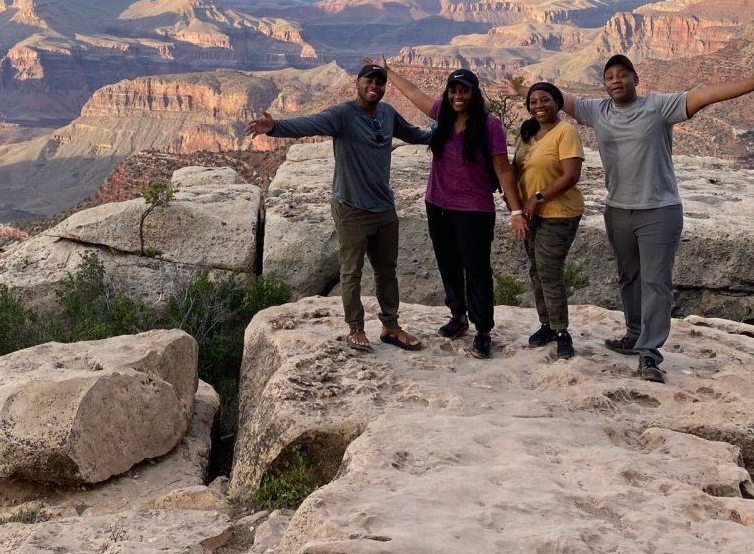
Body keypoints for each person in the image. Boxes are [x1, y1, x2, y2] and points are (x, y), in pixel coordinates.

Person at [562, 53, 754, 383]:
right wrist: (522, 90)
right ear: (604, 84)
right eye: (609, 76)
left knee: (656, 283)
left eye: (623, 74)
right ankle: (633, 335)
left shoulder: (658, 107)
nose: (615, 80)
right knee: (629, 278)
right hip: (618, 210)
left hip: (659, 210)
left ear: (636, 80)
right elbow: (560, 99)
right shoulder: (597, 111)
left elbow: (703, 95)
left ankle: (649, 355)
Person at [246, 62, 432, 353]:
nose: (374, 87)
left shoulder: (387, 114)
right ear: (357, 84)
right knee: (352, 271)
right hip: (351, 208)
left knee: (387, 271)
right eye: (369, 82)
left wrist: (443, 131)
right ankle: (356, 329)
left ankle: (391, 327)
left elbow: (413, 134)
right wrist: (275, 127)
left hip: (383, 207)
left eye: (380, 83)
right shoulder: (342, 115)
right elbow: (309, 123)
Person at [367, 58, 527, 360]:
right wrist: (389, 73)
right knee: (448, 264)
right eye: (453, 90)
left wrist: (516, 211)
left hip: (474, 210)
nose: (458, 96)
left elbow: (503, 169)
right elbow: (414, 94)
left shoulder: (489, 126)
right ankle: (458, 316)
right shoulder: (442, 113)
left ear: (473, 93)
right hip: (437, 205)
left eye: (463, 91)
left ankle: (483, 331)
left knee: (477, 270)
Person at [513, 82, 585, 359]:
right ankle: (546, 324)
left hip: (559, 214)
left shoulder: (566, 132)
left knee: (549, 271)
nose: (539, 106)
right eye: (533, 102)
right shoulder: (528, 132)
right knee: (536, 270)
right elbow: (515, 168)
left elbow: (571, 176)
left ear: (557, 103)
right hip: (532, 215)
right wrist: (517, 207)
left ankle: (561, 331)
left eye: (545, 100)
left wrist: (537, 198)